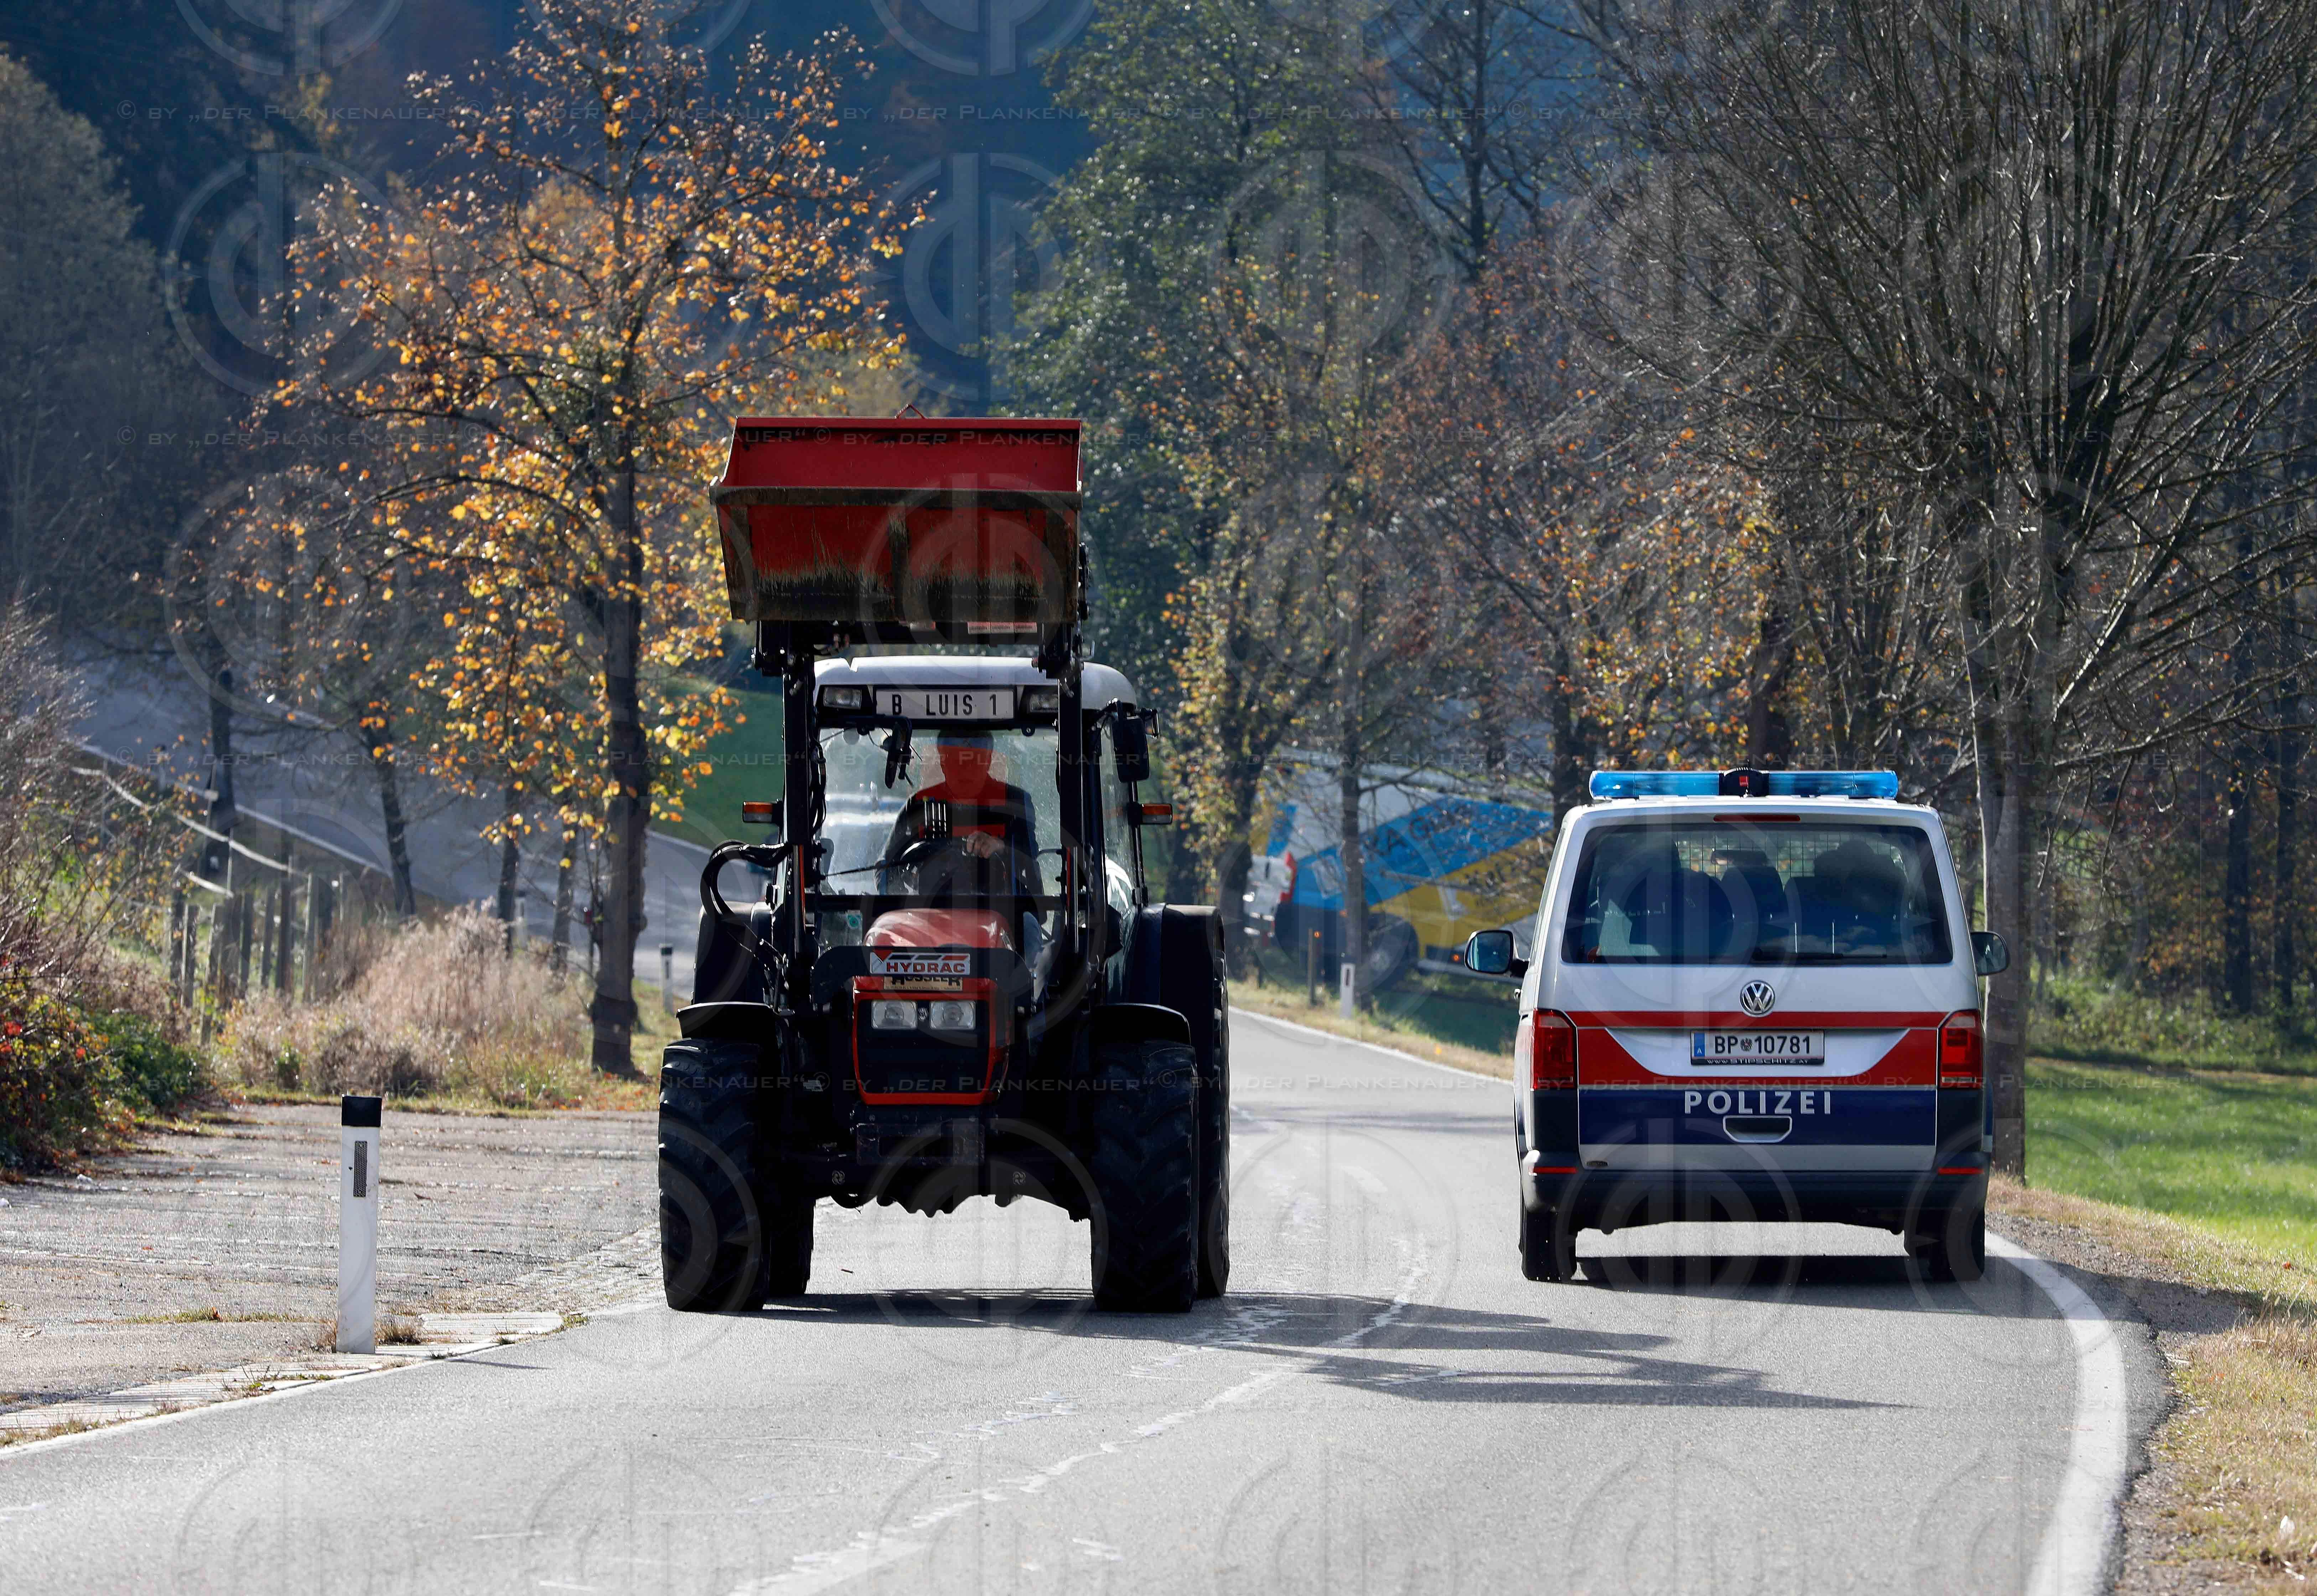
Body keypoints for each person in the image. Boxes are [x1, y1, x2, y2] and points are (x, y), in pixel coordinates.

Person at [880, 732, 1044, 898]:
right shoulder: (918, 805)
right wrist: (902, 901)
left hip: (1004, 909)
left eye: (974, 761)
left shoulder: (1014, 801)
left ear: (988, 762)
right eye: (956, 761)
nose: (966, 770)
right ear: (943, 764)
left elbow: (1029, 857)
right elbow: (885, 869)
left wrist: (1001, 846)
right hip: (928, 910)